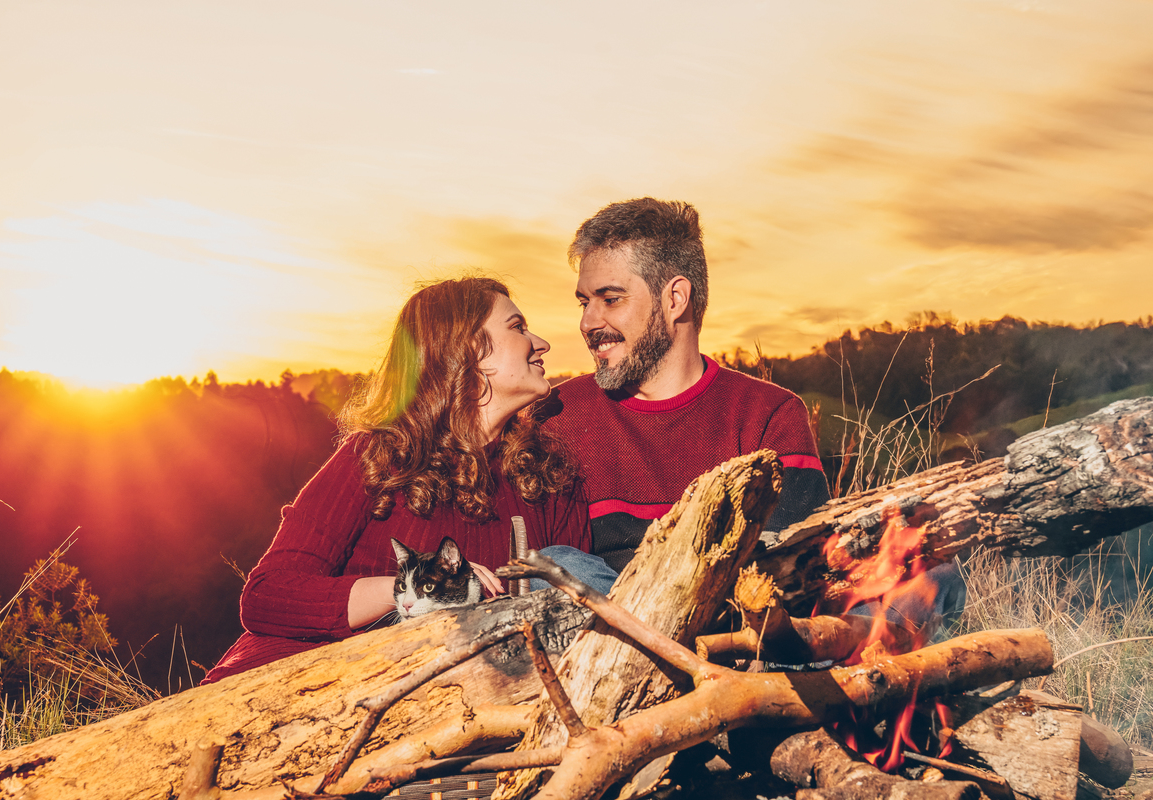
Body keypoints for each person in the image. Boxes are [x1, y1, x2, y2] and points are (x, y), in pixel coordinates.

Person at [203, 277, 590, 684]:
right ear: (468, 350)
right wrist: (421, 590)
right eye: (518, 327)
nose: (542, 343)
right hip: (283, 686)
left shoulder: (551, 478)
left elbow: (577, 620)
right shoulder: (377, 456)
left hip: (442, 700)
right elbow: (267, 595)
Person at [537, 198, 831, 580]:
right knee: (559, 562)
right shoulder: (558, 414)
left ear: (675, 299)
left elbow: (792, 572)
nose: (588, 322)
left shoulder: (769, 416)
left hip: (726, 611)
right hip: (593, 610)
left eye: (610, 299)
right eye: (584, 303)